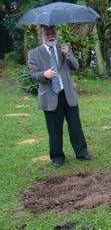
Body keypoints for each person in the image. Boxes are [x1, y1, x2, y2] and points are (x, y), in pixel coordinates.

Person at [28, 25, 91, 168]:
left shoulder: (63, 47)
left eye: (53, 33)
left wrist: (67, 54)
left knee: (75, 126)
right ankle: (57, 156)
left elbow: (76, 66)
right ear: (41, 35)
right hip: (50, 96)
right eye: (47, 33)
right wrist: (44, 74)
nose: (51, 35)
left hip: (67, 93)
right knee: (54, 129)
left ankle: (82, 152)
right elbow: (33, 74)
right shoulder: (34, 53)